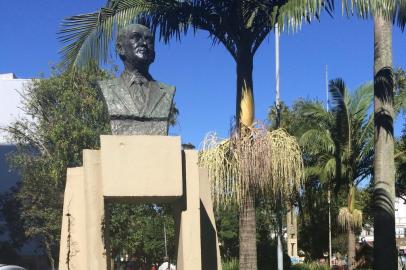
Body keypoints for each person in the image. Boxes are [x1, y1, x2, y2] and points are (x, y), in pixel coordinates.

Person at [98, 24, 175, 135]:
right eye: (136, 37)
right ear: (120, 49)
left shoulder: (167, 91)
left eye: (149, 40)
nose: (144, 43)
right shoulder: (108, 89)